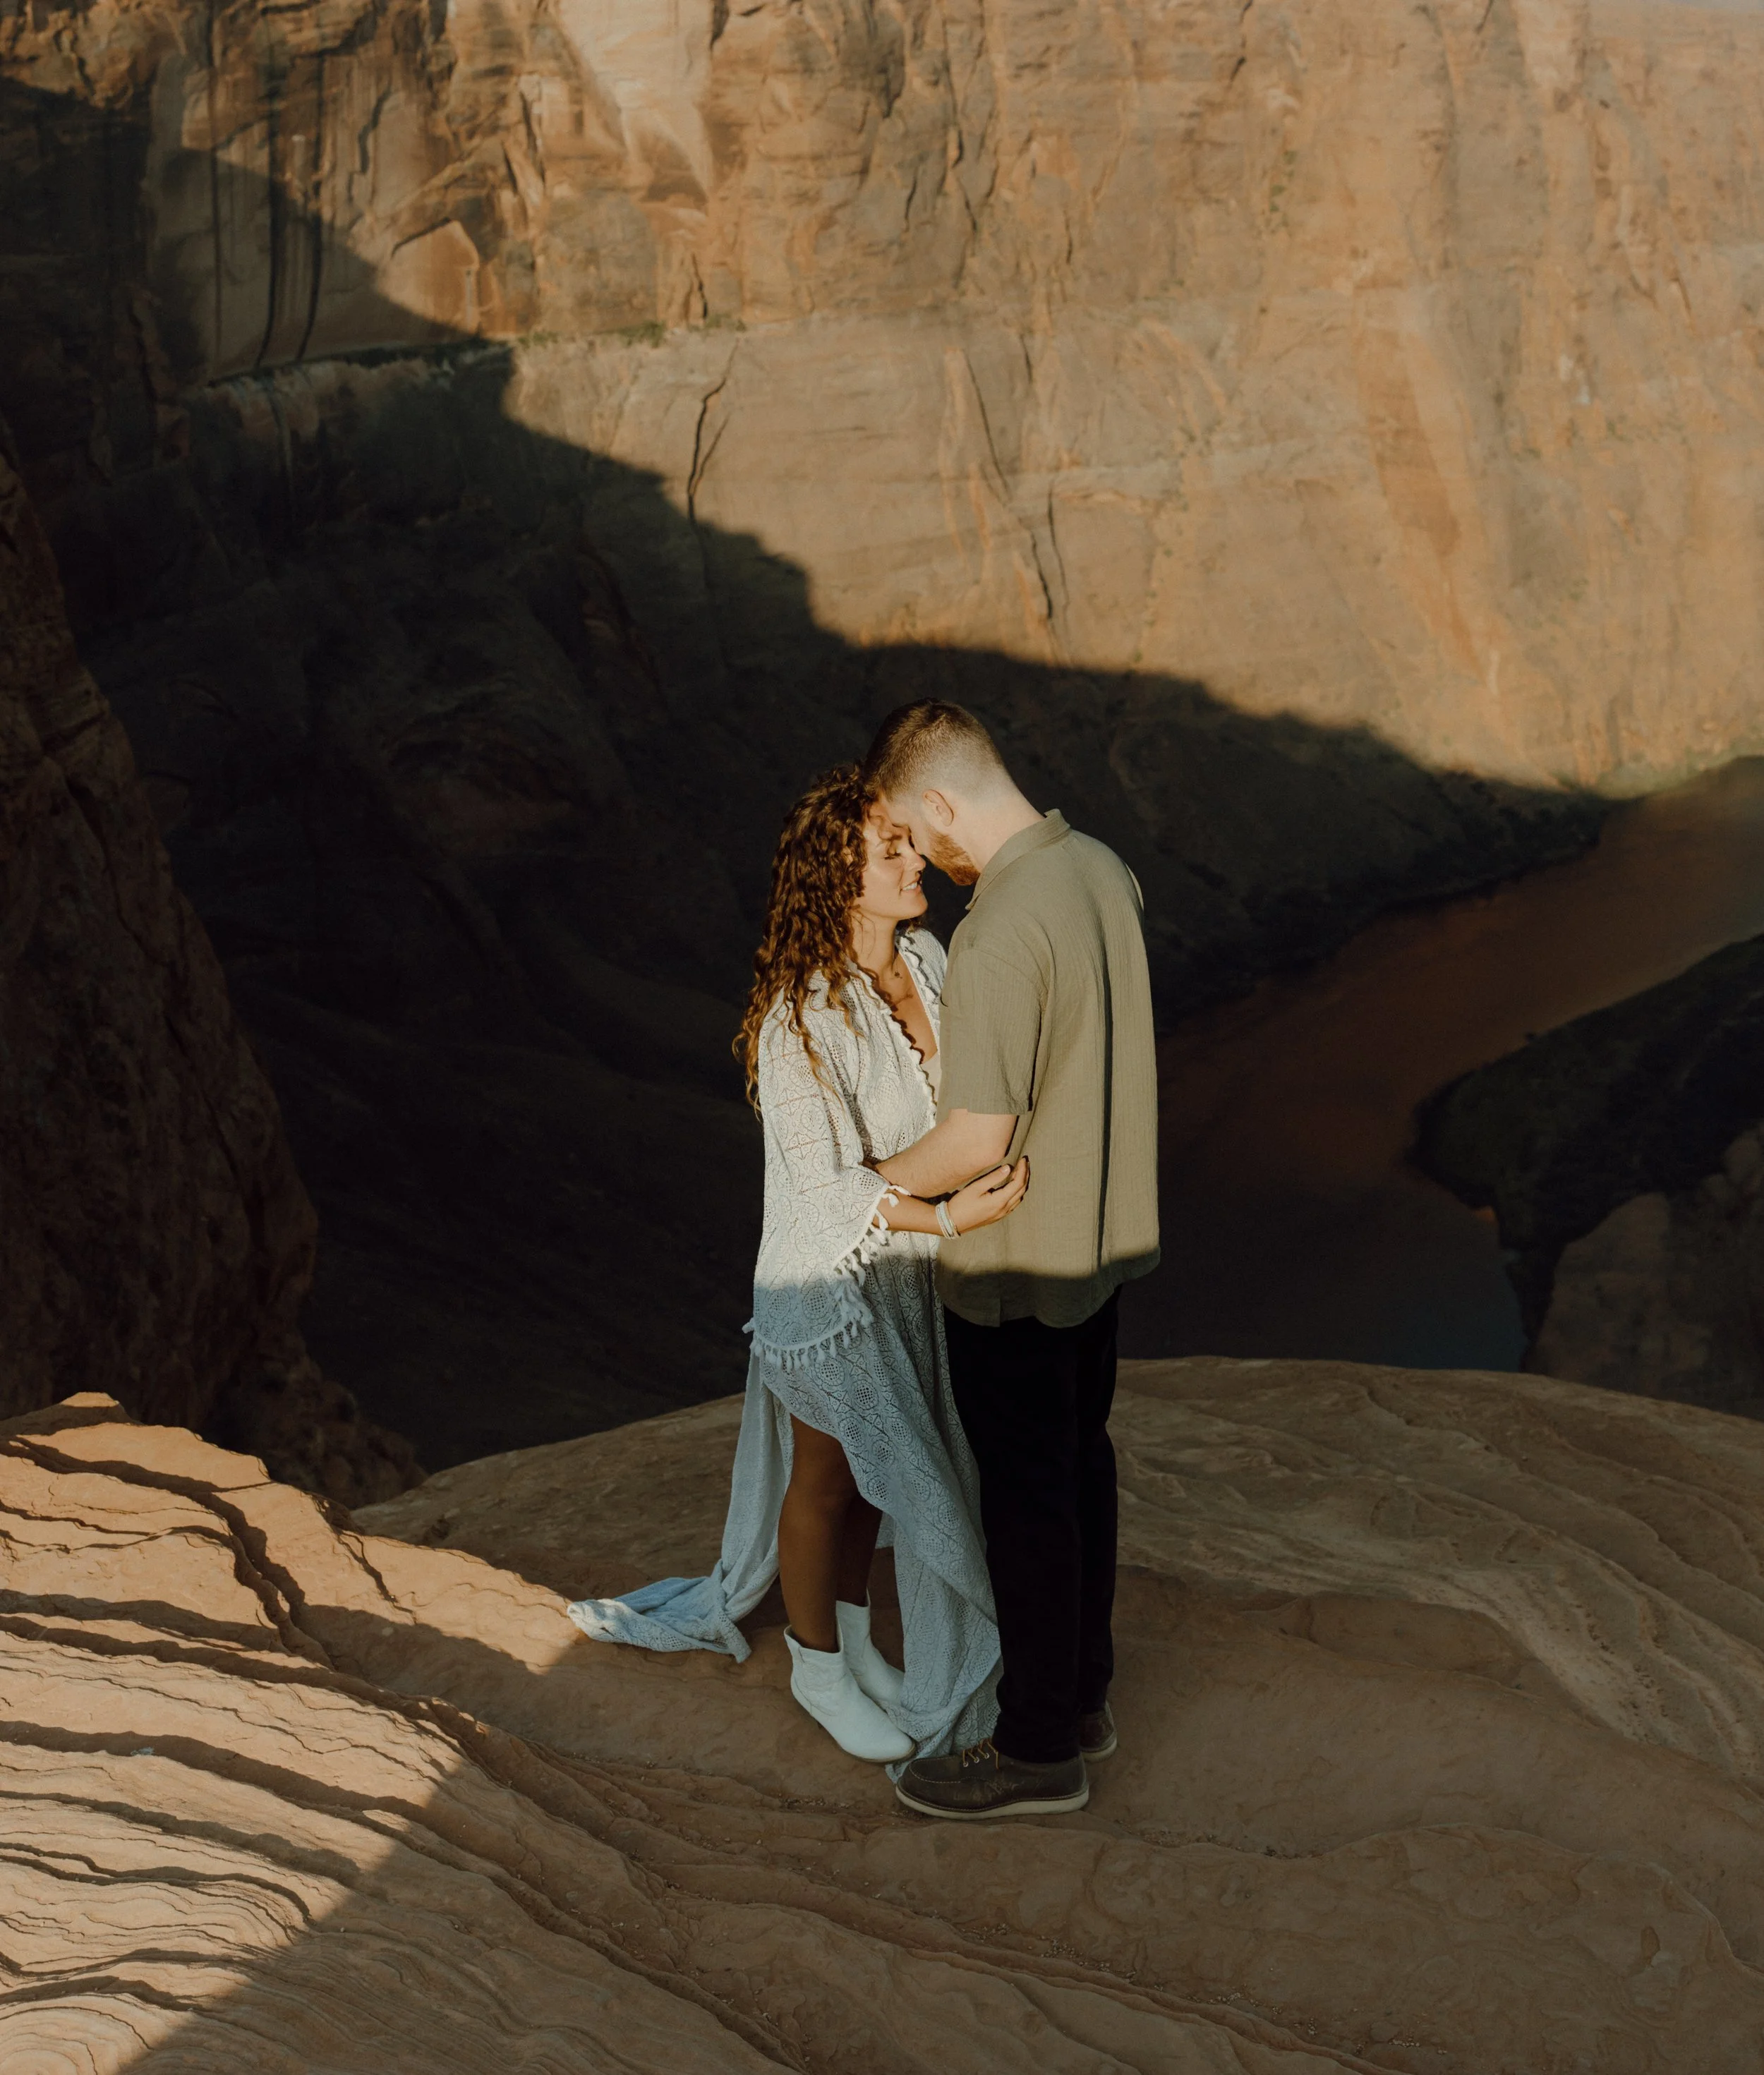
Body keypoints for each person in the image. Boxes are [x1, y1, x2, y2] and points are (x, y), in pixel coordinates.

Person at [568, 763, 1022, 1764]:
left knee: (868, 1482)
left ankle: (858, 1649)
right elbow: (820, 1190)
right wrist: (945, 1220)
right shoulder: (800, 1020)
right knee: (827, 1481)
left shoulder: (929, 960)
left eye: (910, 844)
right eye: (892, 851)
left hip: (905, 1284)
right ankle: (816, 1671)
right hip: (826, 1293)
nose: (917, 864)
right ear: (837, 876)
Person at [864, 701, 1159, 1820]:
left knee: (1027, 1501)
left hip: (1012, 1264)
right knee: (1082, 1466)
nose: (922, 855)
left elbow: (976, 1139)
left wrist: (860, 1188)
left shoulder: (997, 929)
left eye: (912, 827)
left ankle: (1038, 1751)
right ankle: (1081, 1695)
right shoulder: (1100, 869)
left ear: (941, 800)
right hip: (1101, 1246)